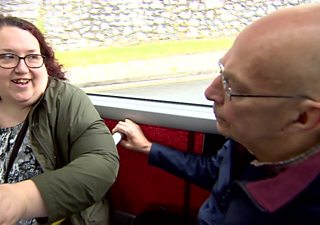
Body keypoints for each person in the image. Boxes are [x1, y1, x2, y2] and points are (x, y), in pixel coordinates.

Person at [113, 4, 320, 225]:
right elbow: (216, 172)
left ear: (302, 117)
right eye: (222, 73)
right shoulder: (248, 140)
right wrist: (148, 148)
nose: (210, 92)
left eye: (232, 86)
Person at [0, 15, 119, 225]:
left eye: (33, 56)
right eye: (8, 56)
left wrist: (23, 198)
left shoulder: (66, 99)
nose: (22, 68)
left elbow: (102, 163)